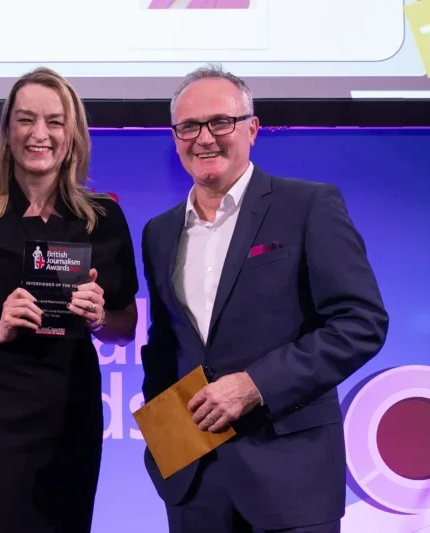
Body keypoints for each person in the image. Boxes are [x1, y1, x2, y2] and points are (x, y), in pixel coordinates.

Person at [140, 64, 389, 533]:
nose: (204, 138)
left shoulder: (308, 205)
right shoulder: (159, 232)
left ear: (252, 129)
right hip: (194, 487)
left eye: (220, 122)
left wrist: (256, 384)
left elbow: (361, 321)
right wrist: (162, 450)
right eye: (188, 126)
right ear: (175, 137)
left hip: (291, 483)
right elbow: (163, 344)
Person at [0, 67, 139, 532]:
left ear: (73, 134)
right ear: (7, 132)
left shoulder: (105, 219)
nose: (40, 134)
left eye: (55, 121)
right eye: (26, 120)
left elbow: (126, 326)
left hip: (71, 409)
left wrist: (100, 318)